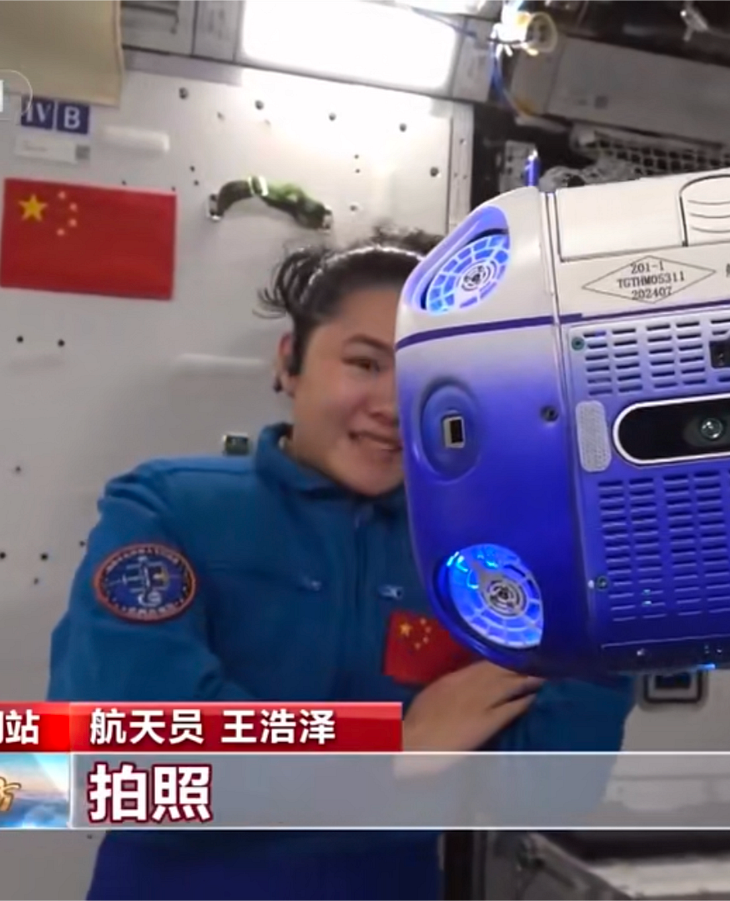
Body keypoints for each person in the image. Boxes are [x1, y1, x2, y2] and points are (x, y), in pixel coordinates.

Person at [47, 226, 634, 901]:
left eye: (427, 374)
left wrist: (609, 621)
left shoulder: (481, 556)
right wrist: (393, 746)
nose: (393, 406)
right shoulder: (170, 507)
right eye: (364, 363)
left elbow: (543, 793)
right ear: (290, 361)